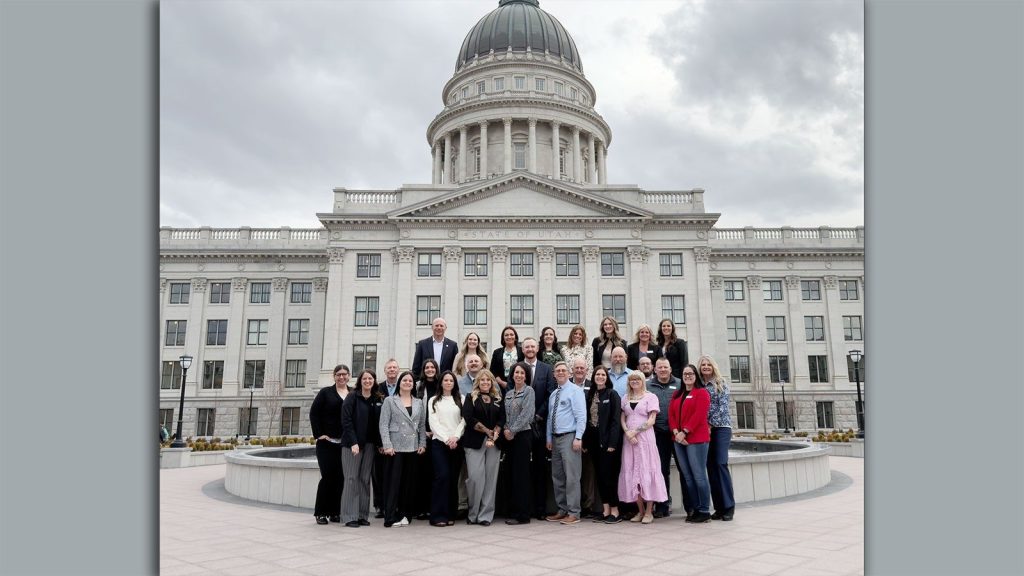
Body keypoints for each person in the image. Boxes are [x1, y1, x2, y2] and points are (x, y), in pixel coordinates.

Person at [618, 370, 668, 524]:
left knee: (647, 470)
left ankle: (648, 511)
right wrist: (628, 432)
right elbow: (622, 417)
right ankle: (640, 511)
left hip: (645, 439)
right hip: (629, 441)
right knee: (633, 472)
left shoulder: (650, 397)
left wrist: (635, 432)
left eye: (637, 379)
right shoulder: (625, 398)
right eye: (632, 379)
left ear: (642, 381)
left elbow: (652, 420)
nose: (635, 382)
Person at [378, 371, 426, 527]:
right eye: (405, 380)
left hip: (412, 447)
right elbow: (383, 424)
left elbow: (421, 425)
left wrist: (422, 444)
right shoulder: (390, 400)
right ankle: (390, 516)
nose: (407, 383)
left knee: (408, 484)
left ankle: (405, 514)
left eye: (410, 381)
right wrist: (387, 445)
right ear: (399, 383)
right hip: (395, 447)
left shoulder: (418, 402)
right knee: (393, 483)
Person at [545, 361, 587, 525]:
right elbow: (550, 417)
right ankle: (562, 510)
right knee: (558, 476)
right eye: (558, 371)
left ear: (569, 373)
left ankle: (574, 512)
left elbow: (581, 416)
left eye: (563, 370)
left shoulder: (576, 391)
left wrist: (578, 437)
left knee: (572, 476)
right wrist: (549, 438)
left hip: (570, 438)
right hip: (555, 439)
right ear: (554, 375)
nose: (561, 372)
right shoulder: (553, 394)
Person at [461, 369, 505, 526]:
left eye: (488, 380)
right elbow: (468, 417)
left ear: (492, 382)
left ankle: (486, 515)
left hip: (494, 443)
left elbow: (502, 419)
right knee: (475, 477)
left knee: (491, 479)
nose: (485, 382)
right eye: (482, 380)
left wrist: (495, 434)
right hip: (474, 442)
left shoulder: (498, 399)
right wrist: (487, 431)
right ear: (477, 382)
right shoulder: (470, 397)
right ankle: (473, 513)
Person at [340, 369, 383, 527]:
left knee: (365, 479)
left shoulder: (377, 398)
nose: (367, 381)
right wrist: (353, 442)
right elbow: (346, 420)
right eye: (364, 378)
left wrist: (380, 444)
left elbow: (378, 424)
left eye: (370, 378)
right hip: (353, 445)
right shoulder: (352, 397)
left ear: (374, 381)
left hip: (370, 445)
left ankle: (361, 515)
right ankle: (349, 516)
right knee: (351, 479)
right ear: (360, 381)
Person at [670, 364, 712, 523]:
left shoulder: (702, 393)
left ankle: (704, 510)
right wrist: (676, 432)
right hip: (678, 440)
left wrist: (685, 431)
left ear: (696, 376)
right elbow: (671, 415)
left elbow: (699, 415)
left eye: (691, 373)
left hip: (696, 439)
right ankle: (695, 509)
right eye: (685, 374)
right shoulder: (677, 394)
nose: (687, 376)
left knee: (699, 476)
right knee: (688, 477)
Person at [309, 364, 350, 524]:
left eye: (344, 374)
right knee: (327, 477)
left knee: (341, 478)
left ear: (349, 376)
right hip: (327, 444)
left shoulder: (353, 393)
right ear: (334, 376)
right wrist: (319, 434)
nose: (341, 377)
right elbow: (314, 413)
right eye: (338, 374)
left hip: (345, 444)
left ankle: (335, 512)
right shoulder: (325, 393)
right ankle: (321, 512)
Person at [521, 337, 555, 518]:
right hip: (521, 426)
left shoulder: (546, 369)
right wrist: (525, 417)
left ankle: (540, 509)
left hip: (540, 424)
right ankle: (525, 508)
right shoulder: (518, 368)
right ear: (523, 349)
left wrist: (538, 415)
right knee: (523, 468)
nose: (530, 349)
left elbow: (550, 394)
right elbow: (511, 392)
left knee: (540, 468)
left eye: (532, 346)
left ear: (537, 348)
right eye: (526, 347)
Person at [699, 355, 736, 521]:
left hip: (721, 428)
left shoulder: (721, 383)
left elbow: (722, 408)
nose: (706, 367)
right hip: (704, 430)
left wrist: (710, 424)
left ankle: (729, 506)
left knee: (720, 463)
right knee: (711, 467)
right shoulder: (699, 385)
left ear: (713, 366)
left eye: (709, 364)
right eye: (703, 365)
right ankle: (719, 508)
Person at [584, 365, 623, 523]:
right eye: (597, 374)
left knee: (609, 476)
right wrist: (585, 441)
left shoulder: (612, 394)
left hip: (608, 442)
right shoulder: (590, 395)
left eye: (603, 375)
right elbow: (587, 420)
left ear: (607, 378)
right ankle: (606, 510)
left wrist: (613, 443)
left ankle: (615, 510)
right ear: (593, 377)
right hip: (594, 440)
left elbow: (615, 421)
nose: (600, 377)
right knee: (599, 476)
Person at [426, 370, 465, 527]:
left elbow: (464, 420)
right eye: (446, 380)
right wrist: (446, 439)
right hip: (439, 443)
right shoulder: (434, 400)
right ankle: (437, 515)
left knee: (453, 478)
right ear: (441, 382)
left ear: (454, 383)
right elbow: (433, 422)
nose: (448, 382)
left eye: (451, 380)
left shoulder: (461, 399)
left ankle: (450, 514)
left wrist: (455, 437)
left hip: (456, 443)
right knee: (442, 476)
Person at [502, 362, 536, 525]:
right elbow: (504, 414)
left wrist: (512, 431)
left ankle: (523, 515)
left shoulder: (529, 391)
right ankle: (513, 511)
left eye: (522, 373)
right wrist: (505, 429)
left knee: (521, 475)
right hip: (509, 437)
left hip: (522, 436)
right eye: (516, 372)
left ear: (526, 376)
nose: (519, 375)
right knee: (511, 474)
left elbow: (527, 415)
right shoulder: (508, 393)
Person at [647, 357, 681, 518]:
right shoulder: (648, 385)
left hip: (678, 433)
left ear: (670, 369)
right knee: (661, 471)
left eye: (665, 367)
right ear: (655, 369)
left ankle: (691, 506)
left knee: (684, 470)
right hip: (658, 434)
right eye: (659, 367)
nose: (662, 370)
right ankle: (662, 505)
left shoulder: (680, 384)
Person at [373, 358, 401, 517]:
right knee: (379, 474)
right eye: (389, 367)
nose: (392, 370)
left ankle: (395, 505)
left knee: (396, 475)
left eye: (394, 367)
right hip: (381, 440)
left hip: (399, 439)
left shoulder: (404, 387)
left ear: (398, 370)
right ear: (385, 371)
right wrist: (380, 443)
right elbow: (374, 418)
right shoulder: (377, 389)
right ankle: (380, 505)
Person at [414, 359, 441, 520]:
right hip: (421, 434)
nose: (430, 369)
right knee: (421, 473)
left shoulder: (441, 385)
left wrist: (435, 431)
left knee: (435, 472)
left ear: (436, 369)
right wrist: (423, 431)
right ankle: (421, 508)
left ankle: (432, 507)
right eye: (427, 367)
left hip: (438, 435)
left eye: (432, 367)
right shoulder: (418, 386)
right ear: (423, 370)